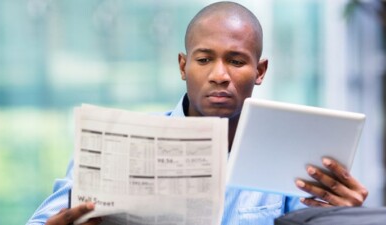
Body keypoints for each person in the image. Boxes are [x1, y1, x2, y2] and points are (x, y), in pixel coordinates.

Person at [27, 1, 368, 225]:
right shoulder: (118, 145)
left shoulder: (293, 161)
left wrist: (350, 219)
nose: (220, 74)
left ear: (260, 71)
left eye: (236, 61)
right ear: (183, 65)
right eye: (204, 60)